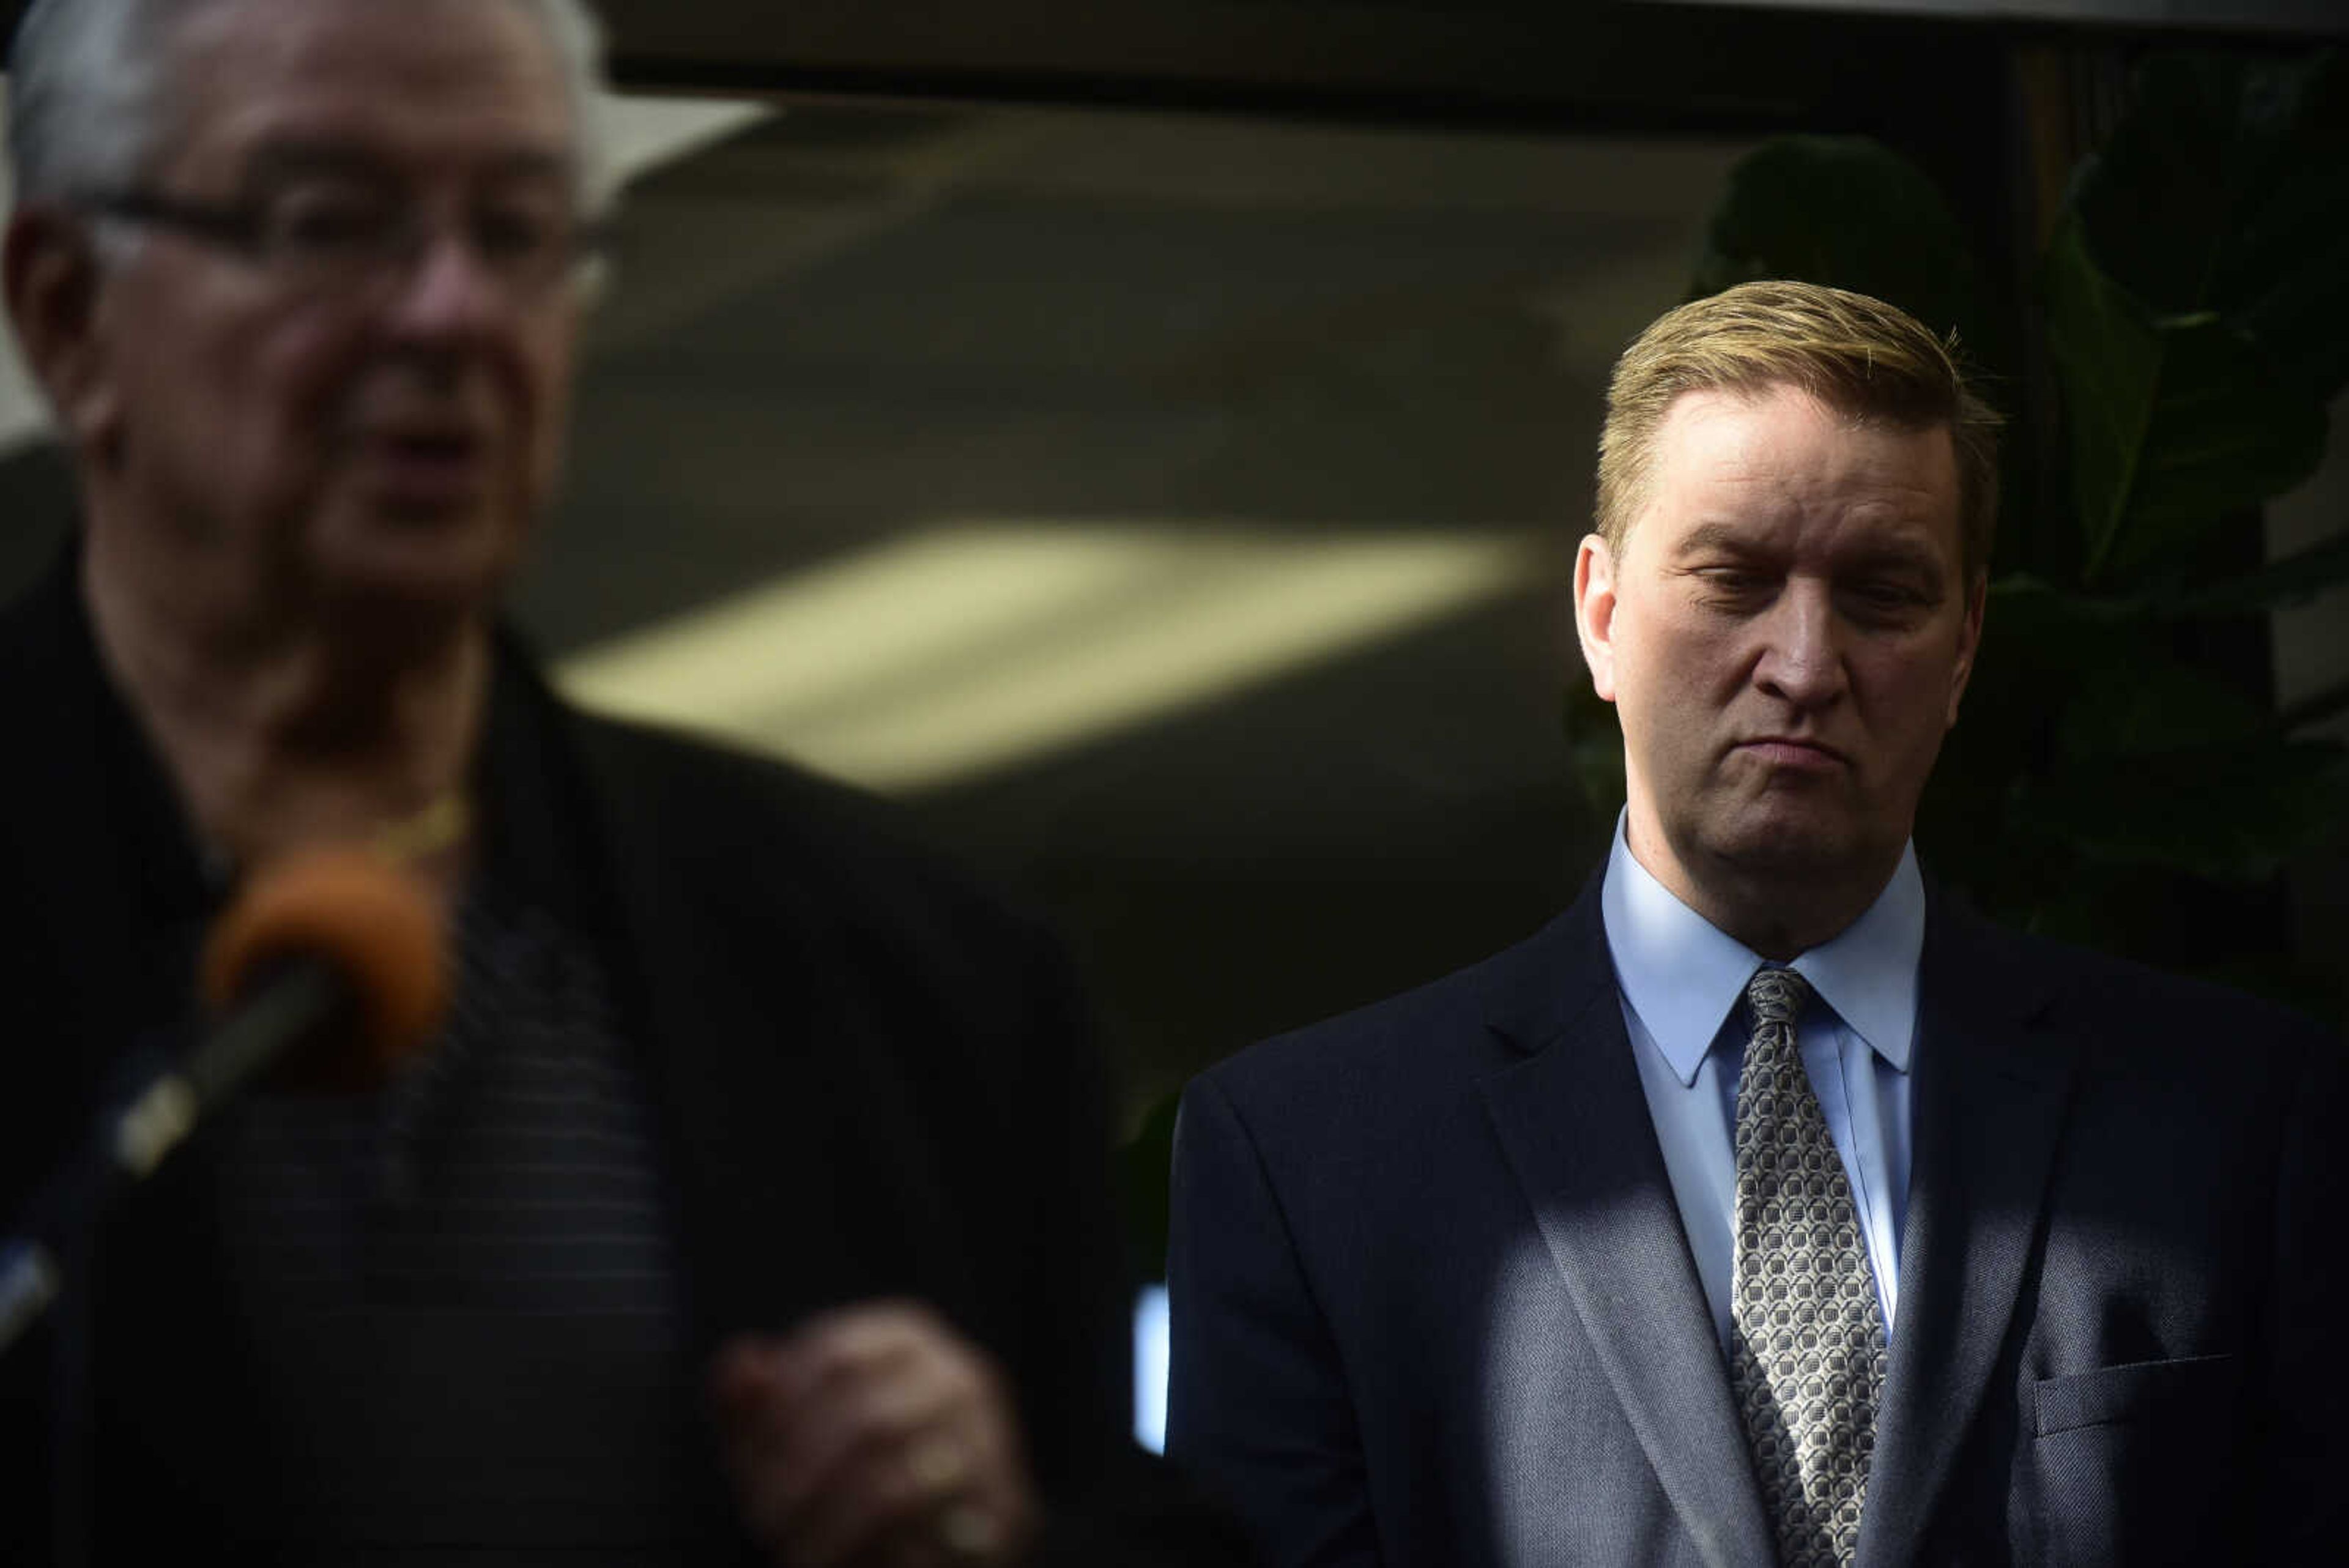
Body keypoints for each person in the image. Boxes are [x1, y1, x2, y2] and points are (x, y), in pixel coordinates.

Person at [0, 1, 1241, 1563]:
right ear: (66, 313)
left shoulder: (912, 986)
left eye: (518, 230)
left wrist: (992, 1532)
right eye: (331, 224)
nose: (452, 311)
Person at [1165, 280, 2344, 1566]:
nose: (1802, 661)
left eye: (1883, 592)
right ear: (1601, 614)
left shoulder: (2238, 1118)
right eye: (1732, 578)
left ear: (1964, 652)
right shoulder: (1308, 1157)